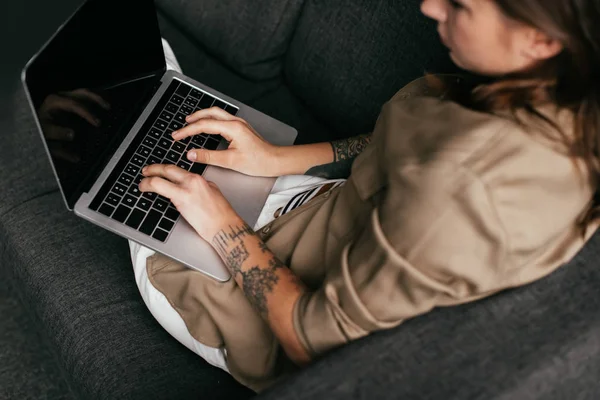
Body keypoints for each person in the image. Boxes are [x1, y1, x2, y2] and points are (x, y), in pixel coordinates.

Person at [130, 0, 600, 391]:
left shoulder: (463, 190)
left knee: (131, 138)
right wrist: (275, 159)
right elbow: (392, 146)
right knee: (157, 81)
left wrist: (222, 226)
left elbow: (307, 339)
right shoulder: (555, 90)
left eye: (460, 5)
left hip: (247, 307)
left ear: (542, 38)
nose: (430, 7)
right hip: (320, 208)